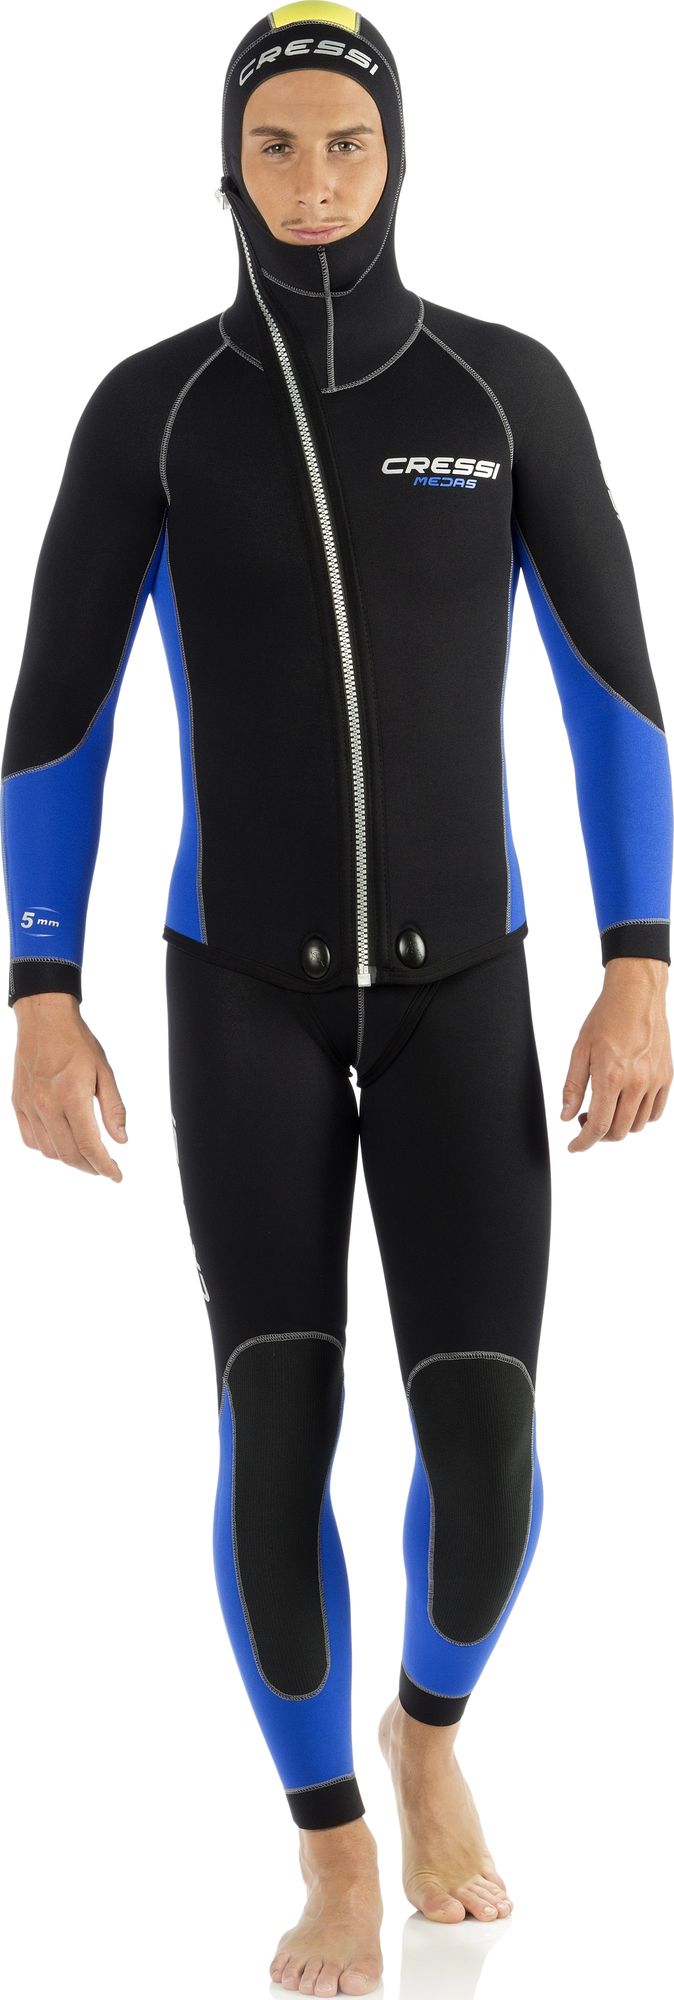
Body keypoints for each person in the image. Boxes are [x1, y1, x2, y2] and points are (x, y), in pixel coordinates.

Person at [2, 6, 672, 1994]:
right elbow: (53, 720)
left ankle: (427, 1731)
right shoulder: (153, 410)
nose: (312, 182)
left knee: (486, 1460)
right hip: (240, 996)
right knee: (274, 1431)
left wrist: (640, 964)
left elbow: (615, 695)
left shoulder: (503, 386)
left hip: (468, 988)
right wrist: (40, 987)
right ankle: (329, 1848)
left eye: (346, 145)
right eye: (276, 145)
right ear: (228, 163)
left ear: (398, 158)